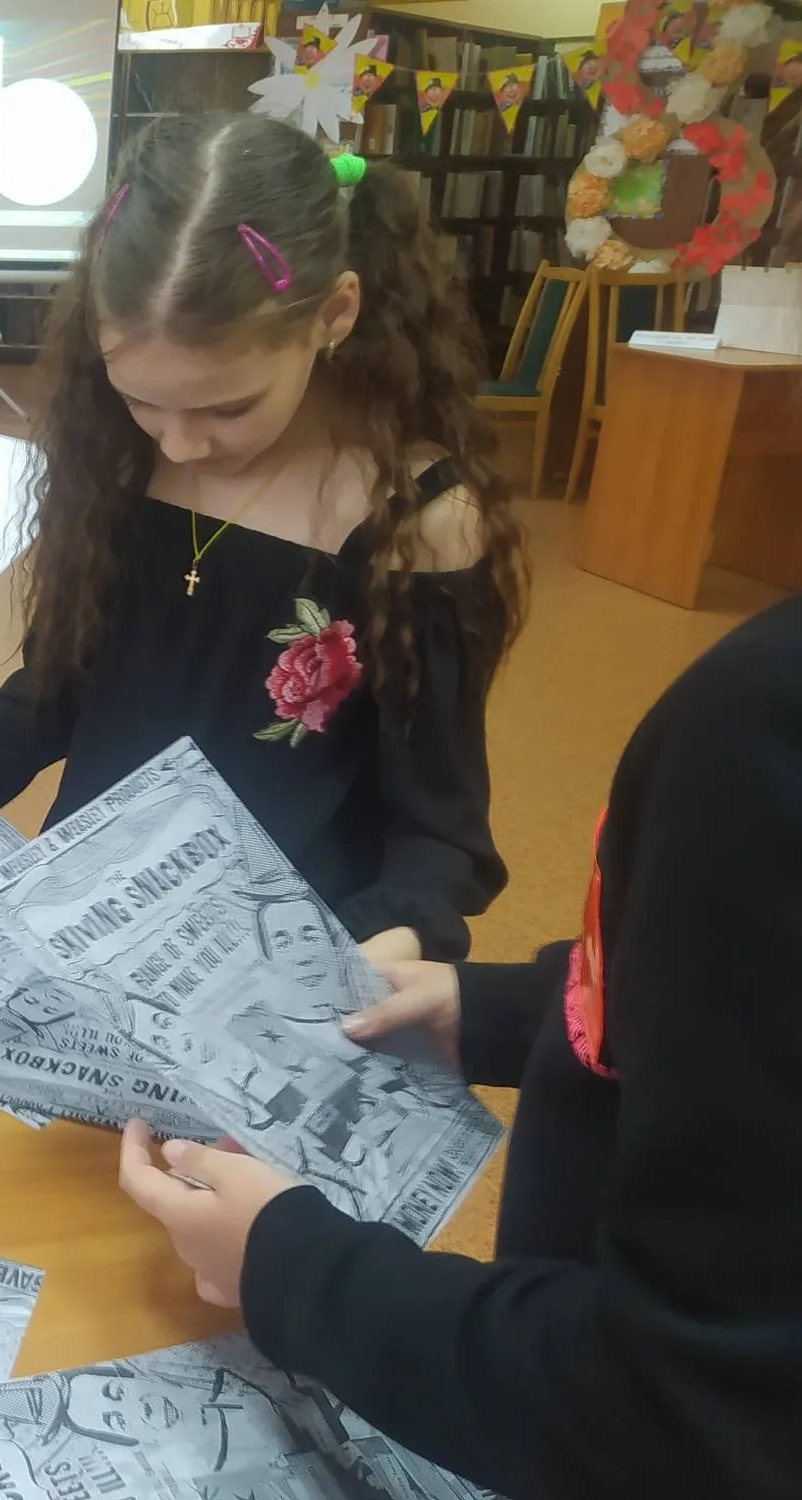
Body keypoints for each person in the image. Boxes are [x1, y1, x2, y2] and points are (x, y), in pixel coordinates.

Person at [118, 593, 802, 1499]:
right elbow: (742, 991)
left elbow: (690, 1403)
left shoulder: (761, 727)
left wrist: (291, 1268)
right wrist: (503, 1007)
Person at [0, 114, 527, 967]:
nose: (182, 444)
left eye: (229, 406)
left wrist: (391, 943)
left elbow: (440, 834)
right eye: (140, 400)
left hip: (285, 960)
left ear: (334, 313)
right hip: (87, 934)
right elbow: (66, 684)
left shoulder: (415, 522)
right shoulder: (121, 461)